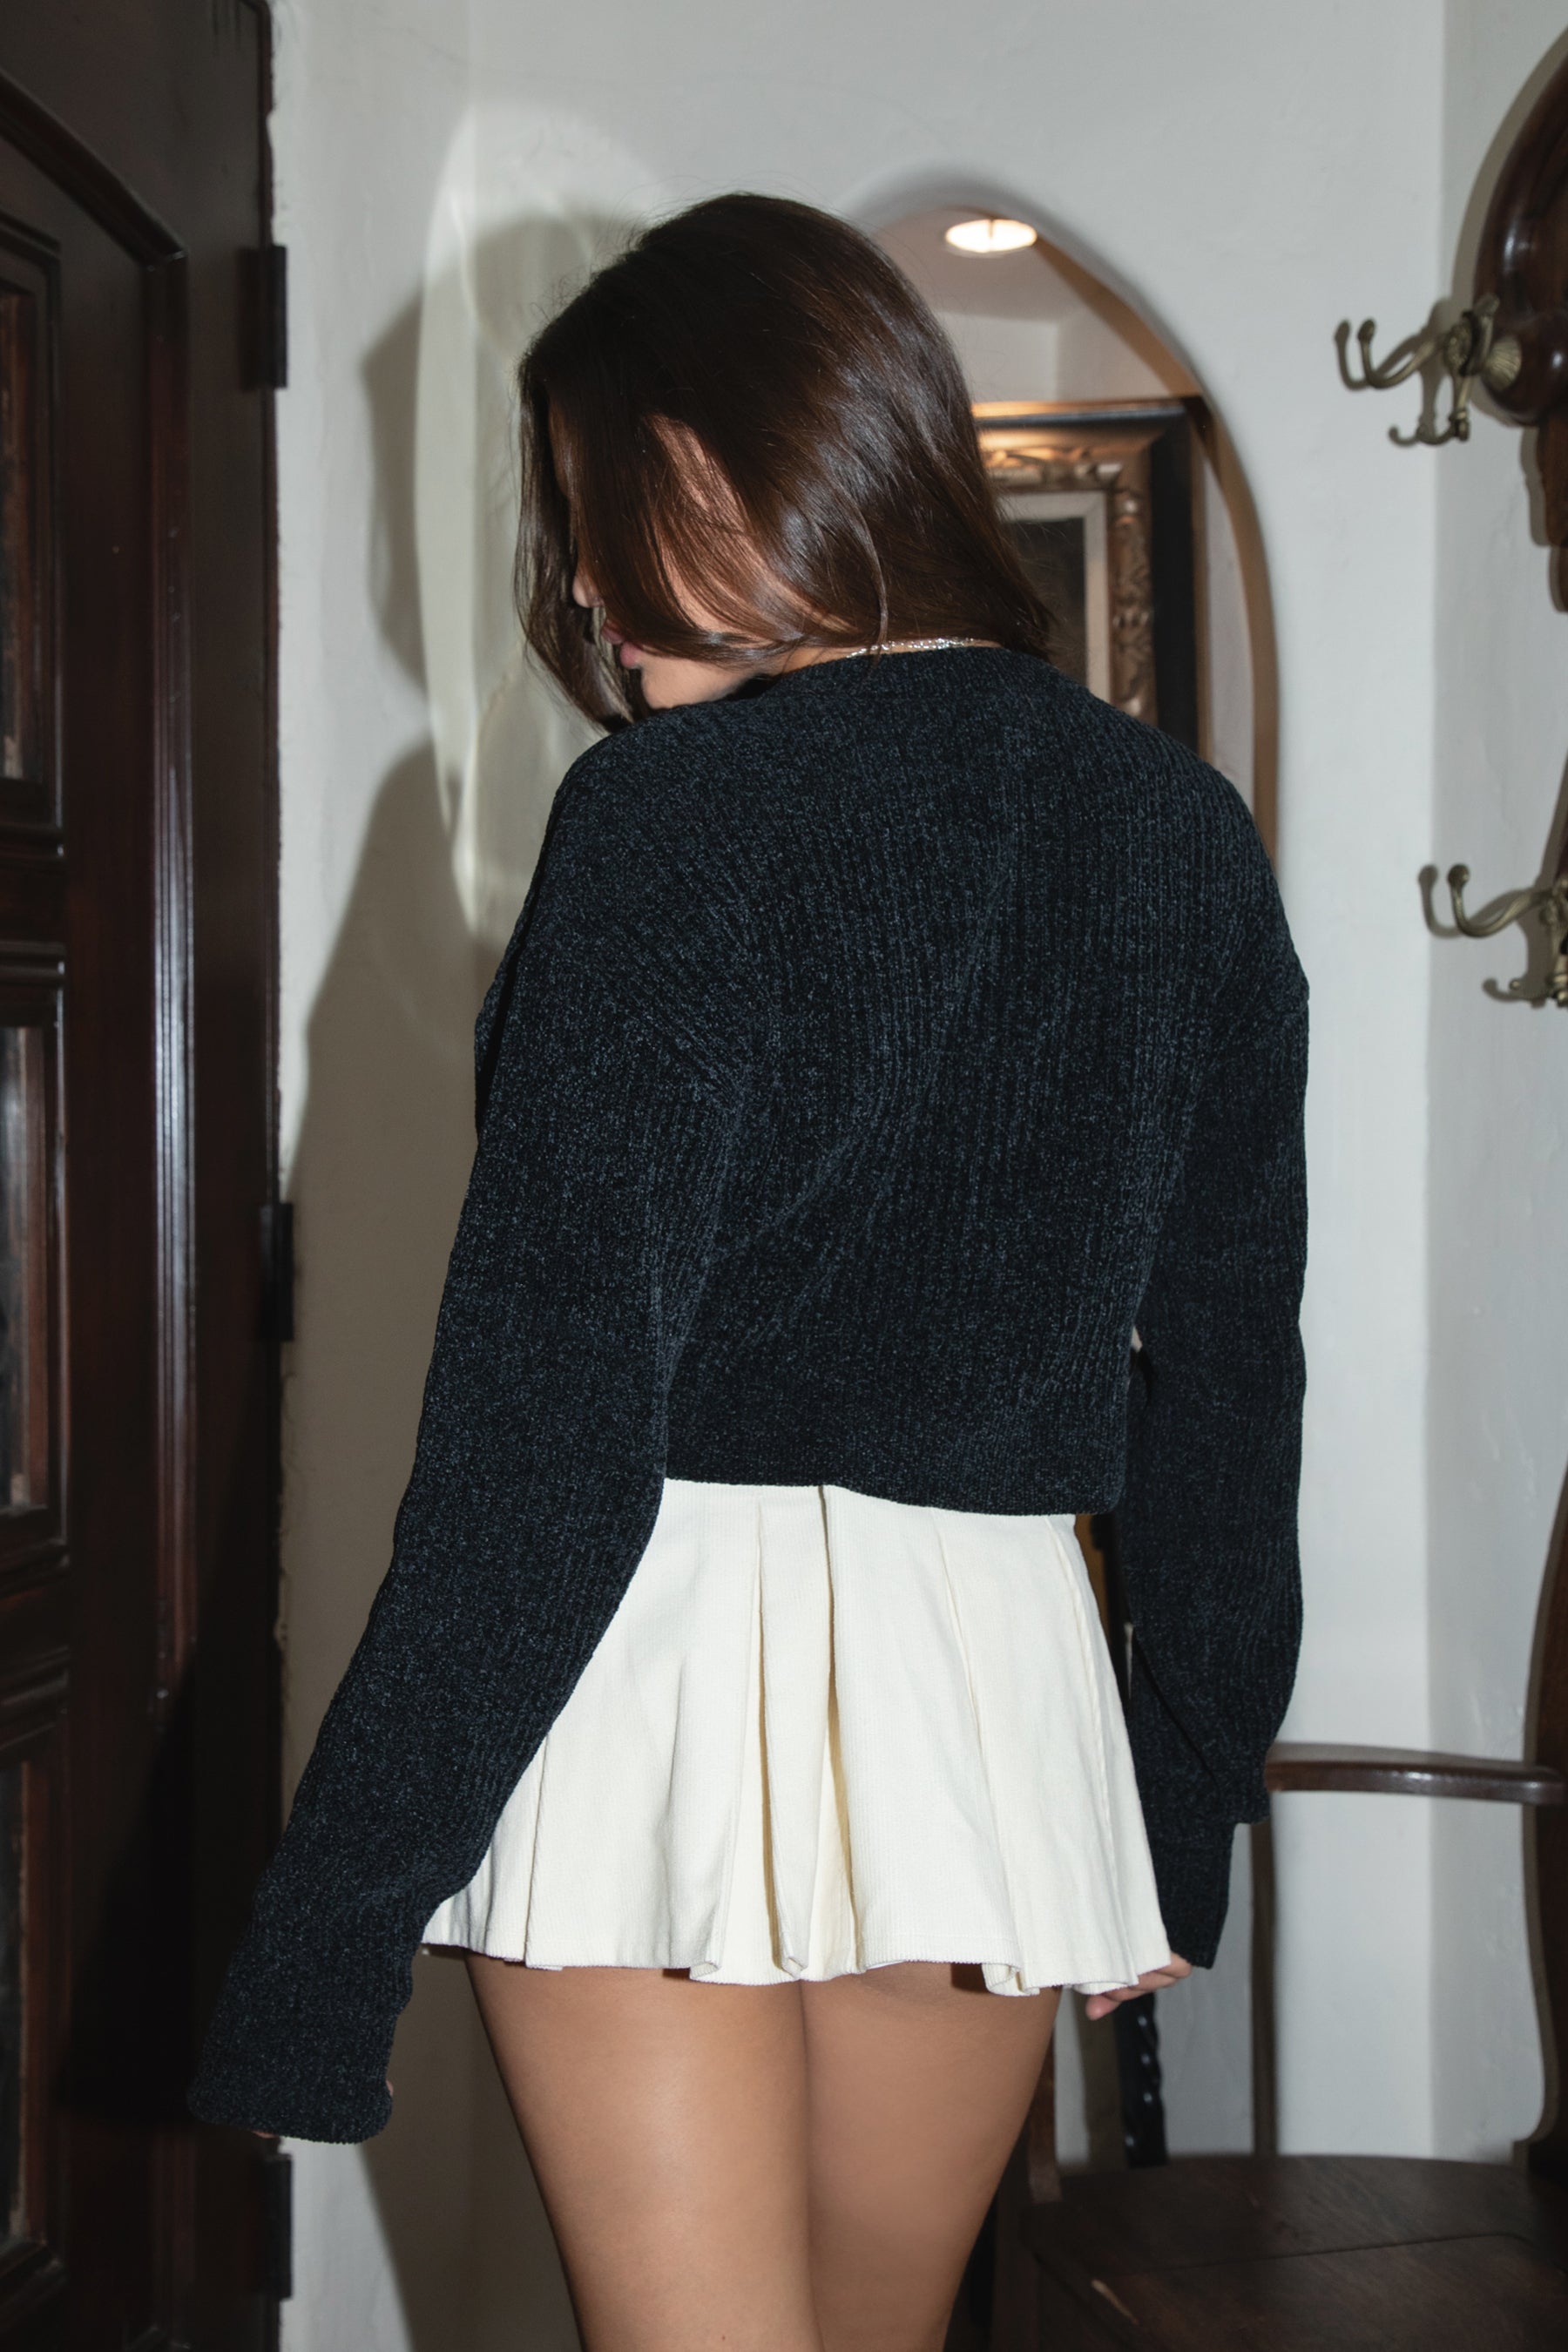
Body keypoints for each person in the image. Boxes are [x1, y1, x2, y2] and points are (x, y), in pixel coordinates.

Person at [192, 193, 1308, 2352]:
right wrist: (1184, 1797)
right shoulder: (1178, 834)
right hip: (992, 1681)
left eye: (594, 510)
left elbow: (547, 1435)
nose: (588, 589)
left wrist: (326, 1929)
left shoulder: (673, 821)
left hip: (661, 1656)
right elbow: (1232, 1380)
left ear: (713, 466)